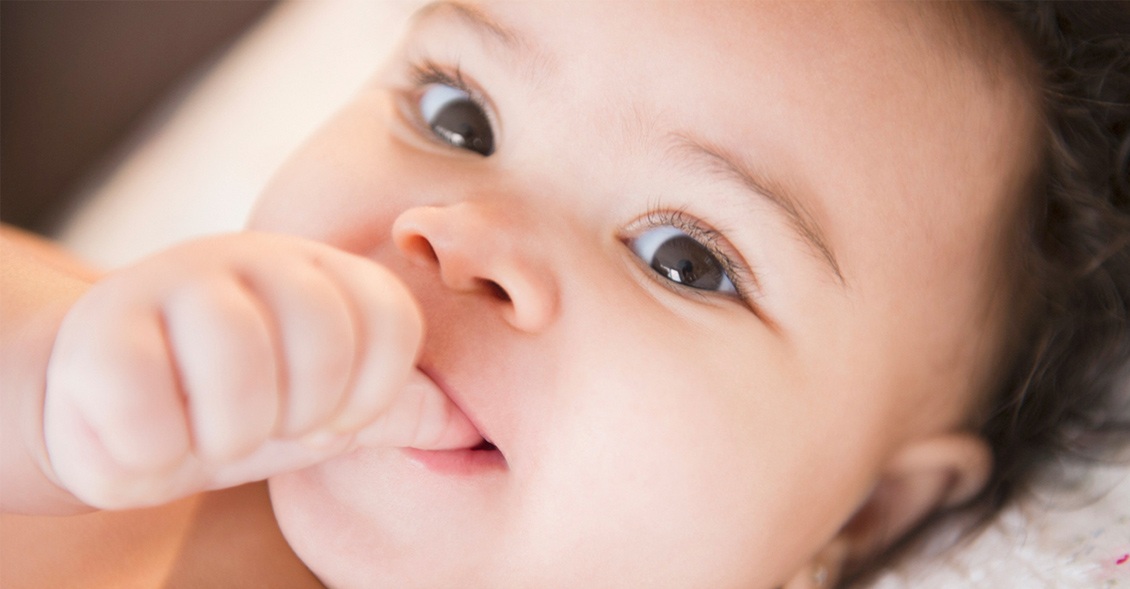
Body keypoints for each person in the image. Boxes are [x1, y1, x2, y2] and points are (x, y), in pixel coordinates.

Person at [2, 1, 1127, 588]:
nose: (459, 236)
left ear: (863, 511)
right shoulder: (100, 363)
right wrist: (48, 391)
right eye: (456, 115)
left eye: (685, 257)